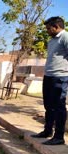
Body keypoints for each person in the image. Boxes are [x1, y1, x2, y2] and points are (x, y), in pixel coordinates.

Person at [31, 16, 68, 145]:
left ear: (56, 27)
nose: (47, 30)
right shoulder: (51, 41)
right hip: (48, 76)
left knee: (59, 106)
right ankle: (47, 131)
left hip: (60, 77)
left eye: (48, 28)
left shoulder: (65, 37)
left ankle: (59, 136)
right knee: (48, 106)